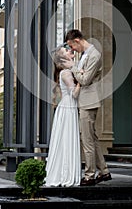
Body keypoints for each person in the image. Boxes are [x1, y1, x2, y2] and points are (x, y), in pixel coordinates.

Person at [64, 29, 112, 186]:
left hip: (89, 101)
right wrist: (78, 70)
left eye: (72, 46)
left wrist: (73, 67)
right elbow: (82, 76)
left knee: (87, 140)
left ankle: (89, 175)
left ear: (77, 40)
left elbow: (84, 80)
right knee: (92, 138)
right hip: (85, 100)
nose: (72, 50)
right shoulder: (85, 55)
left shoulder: (94, 55)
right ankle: (104, 172)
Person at [45, 46, 81, 187]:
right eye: (66, 51)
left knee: (65, 139)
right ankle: (66, 174)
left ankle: (64, 172)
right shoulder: (66, 72)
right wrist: (82, 81)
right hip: (68, 107)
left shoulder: (66, 71)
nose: (70, 51)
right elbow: (74, 94)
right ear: (63, 58)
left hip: (67, 107)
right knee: (67, 139)